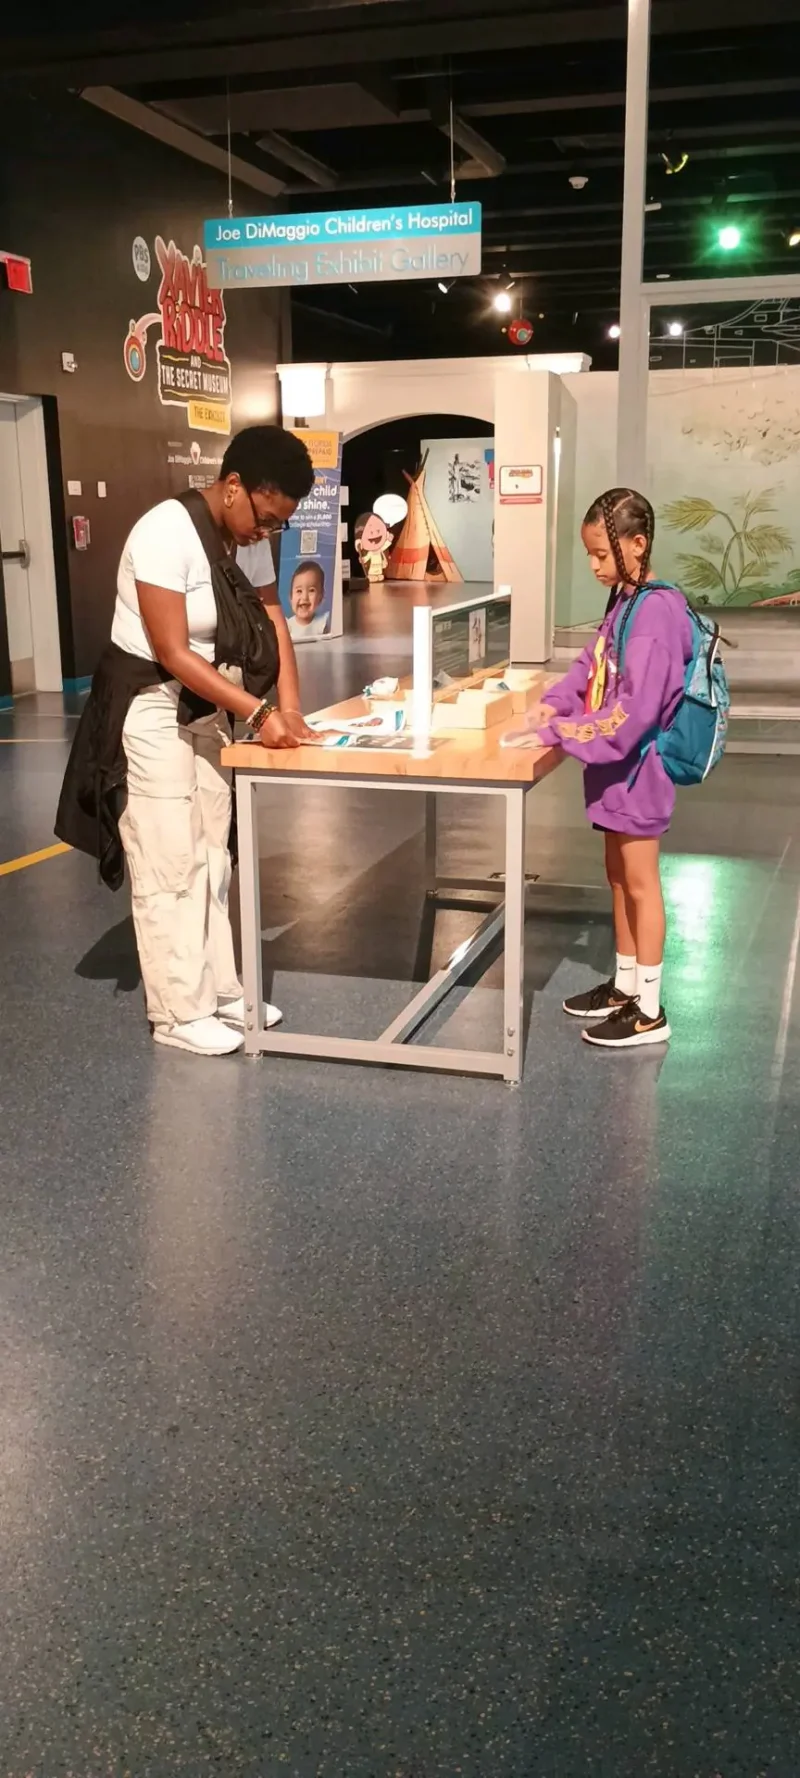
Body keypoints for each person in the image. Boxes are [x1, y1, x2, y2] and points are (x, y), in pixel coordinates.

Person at [56, 425, 316, 1058]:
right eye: (267, 518)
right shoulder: (164, 533)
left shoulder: (243, 537)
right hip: (149, 708)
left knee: (212, 852)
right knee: (169, 857)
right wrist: (259, 717)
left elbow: (271, 615)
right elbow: (171, 651)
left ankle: (221, 990)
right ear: (234, 488)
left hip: (212, 703)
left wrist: (292, 708)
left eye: (279, 525)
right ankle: (177, 1011)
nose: (268, 534)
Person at [508, 487, 694, 1050]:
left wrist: (555, 732)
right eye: (589, 555)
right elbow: (593, 663)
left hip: (642, 770)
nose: (594, 566)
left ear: (638, 545)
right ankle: (626, 983)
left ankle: (650, 1010)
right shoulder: (625, 600)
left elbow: (632, 714)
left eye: (602, 556)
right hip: (618, 772)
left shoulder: (657, 611)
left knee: (640, 884)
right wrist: (556, 702)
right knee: (618, 877)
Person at [286, 560, 329, 640]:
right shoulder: (287, 626)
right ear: (290, 597)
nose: (304, 597)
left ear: (321, 597)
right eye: (299, 591)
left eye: (311, 590)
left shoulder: (322, 625)